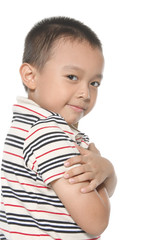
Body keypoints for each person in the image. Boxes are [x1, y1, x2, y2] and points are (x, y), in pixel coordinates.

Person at [0, 17, 117, 240]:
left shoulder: (27, 126)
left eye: (94, 83)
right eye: (72, 77)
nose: (86, 93)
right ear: (31, 76)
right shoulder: (48, 134)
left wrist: (105, 170)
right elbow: (96, 221)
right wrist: (103, 173)